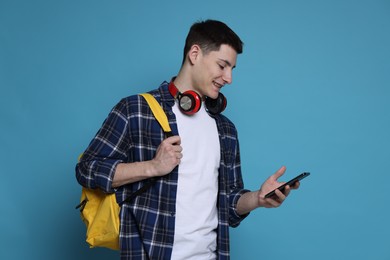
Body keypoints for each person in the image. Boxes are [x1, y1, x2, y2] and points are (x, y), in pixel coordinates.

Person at [76, 19, 299, 260]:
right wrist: (152, 166)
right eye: (222, 65)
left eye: (232, 69)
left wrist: (257, 199)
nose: (229, 78)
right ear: (195, 54)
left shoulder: (225, 129)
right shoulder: (136, 110)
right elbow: (87, 170)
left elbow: (229, 206)